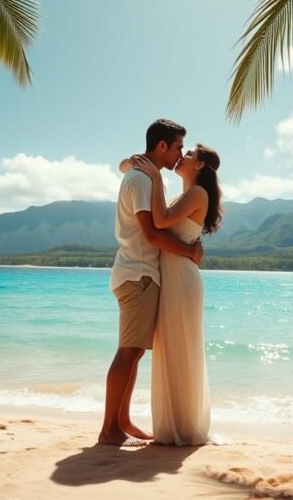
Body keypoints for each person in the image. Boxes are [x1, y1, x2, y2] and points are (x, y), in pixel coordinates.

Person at [99, 119, 203, 447]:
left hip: (138, 273)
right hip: (138, 273)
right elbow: (152, 232)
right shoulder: (144, 180)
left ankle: (123, 421)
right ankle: (109, 430)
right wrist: (189, 251)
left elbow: (126, 166)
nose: (178, 154)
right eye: (176, 147)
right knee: (128, 352)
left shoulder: (143, 175)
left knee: (134, 353)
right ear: (161, 146)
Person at [129, 143, 222, 446]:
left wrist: (155, 177)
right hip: (173, 277)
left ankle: (183, 426)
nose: (184, 156)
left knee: (181, 347)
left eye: (191, 154)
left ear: (200, 166)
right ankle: (173, 426)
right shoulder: (184, 195)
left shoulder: (197, 194)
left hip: (182, 279)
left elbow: (160, 221)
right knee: (171, 348)